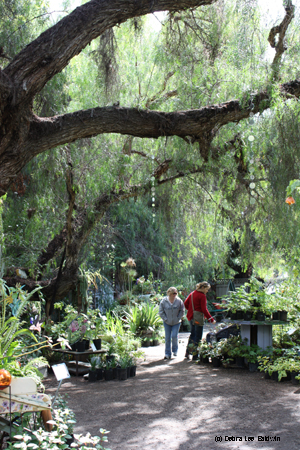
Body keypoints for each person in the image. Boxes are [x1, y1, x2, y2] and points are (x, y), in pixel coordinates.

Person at [184, 281, 216, 359]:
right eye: (207, 289)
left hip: (191, 317)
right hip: (198, 317)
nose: (207, 291)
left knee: (192, 335)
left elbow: (185, 303)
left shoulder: (192, 294)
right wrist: (211, 319)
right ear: (202, 288)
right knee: (198, 336)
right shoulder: (202, 296)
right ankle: (195, 355)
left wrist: (191, 310)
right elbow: (204, 309)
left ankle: (187, 352)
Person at [159, 287, 184, 359]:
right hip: (167, 322)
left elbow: (182, 310)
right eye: (174, 293)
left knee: (174, 336)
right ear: (170, 293)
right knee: (167, 338)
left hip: (176, 322)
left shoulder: (179, 301)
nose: (175, 295)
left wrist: (178, 318)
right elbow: (161, 311)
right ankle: (167, 353)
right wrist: (165, 319)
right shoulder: (164, 301)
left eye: (176, 293)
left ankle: (175, 350)